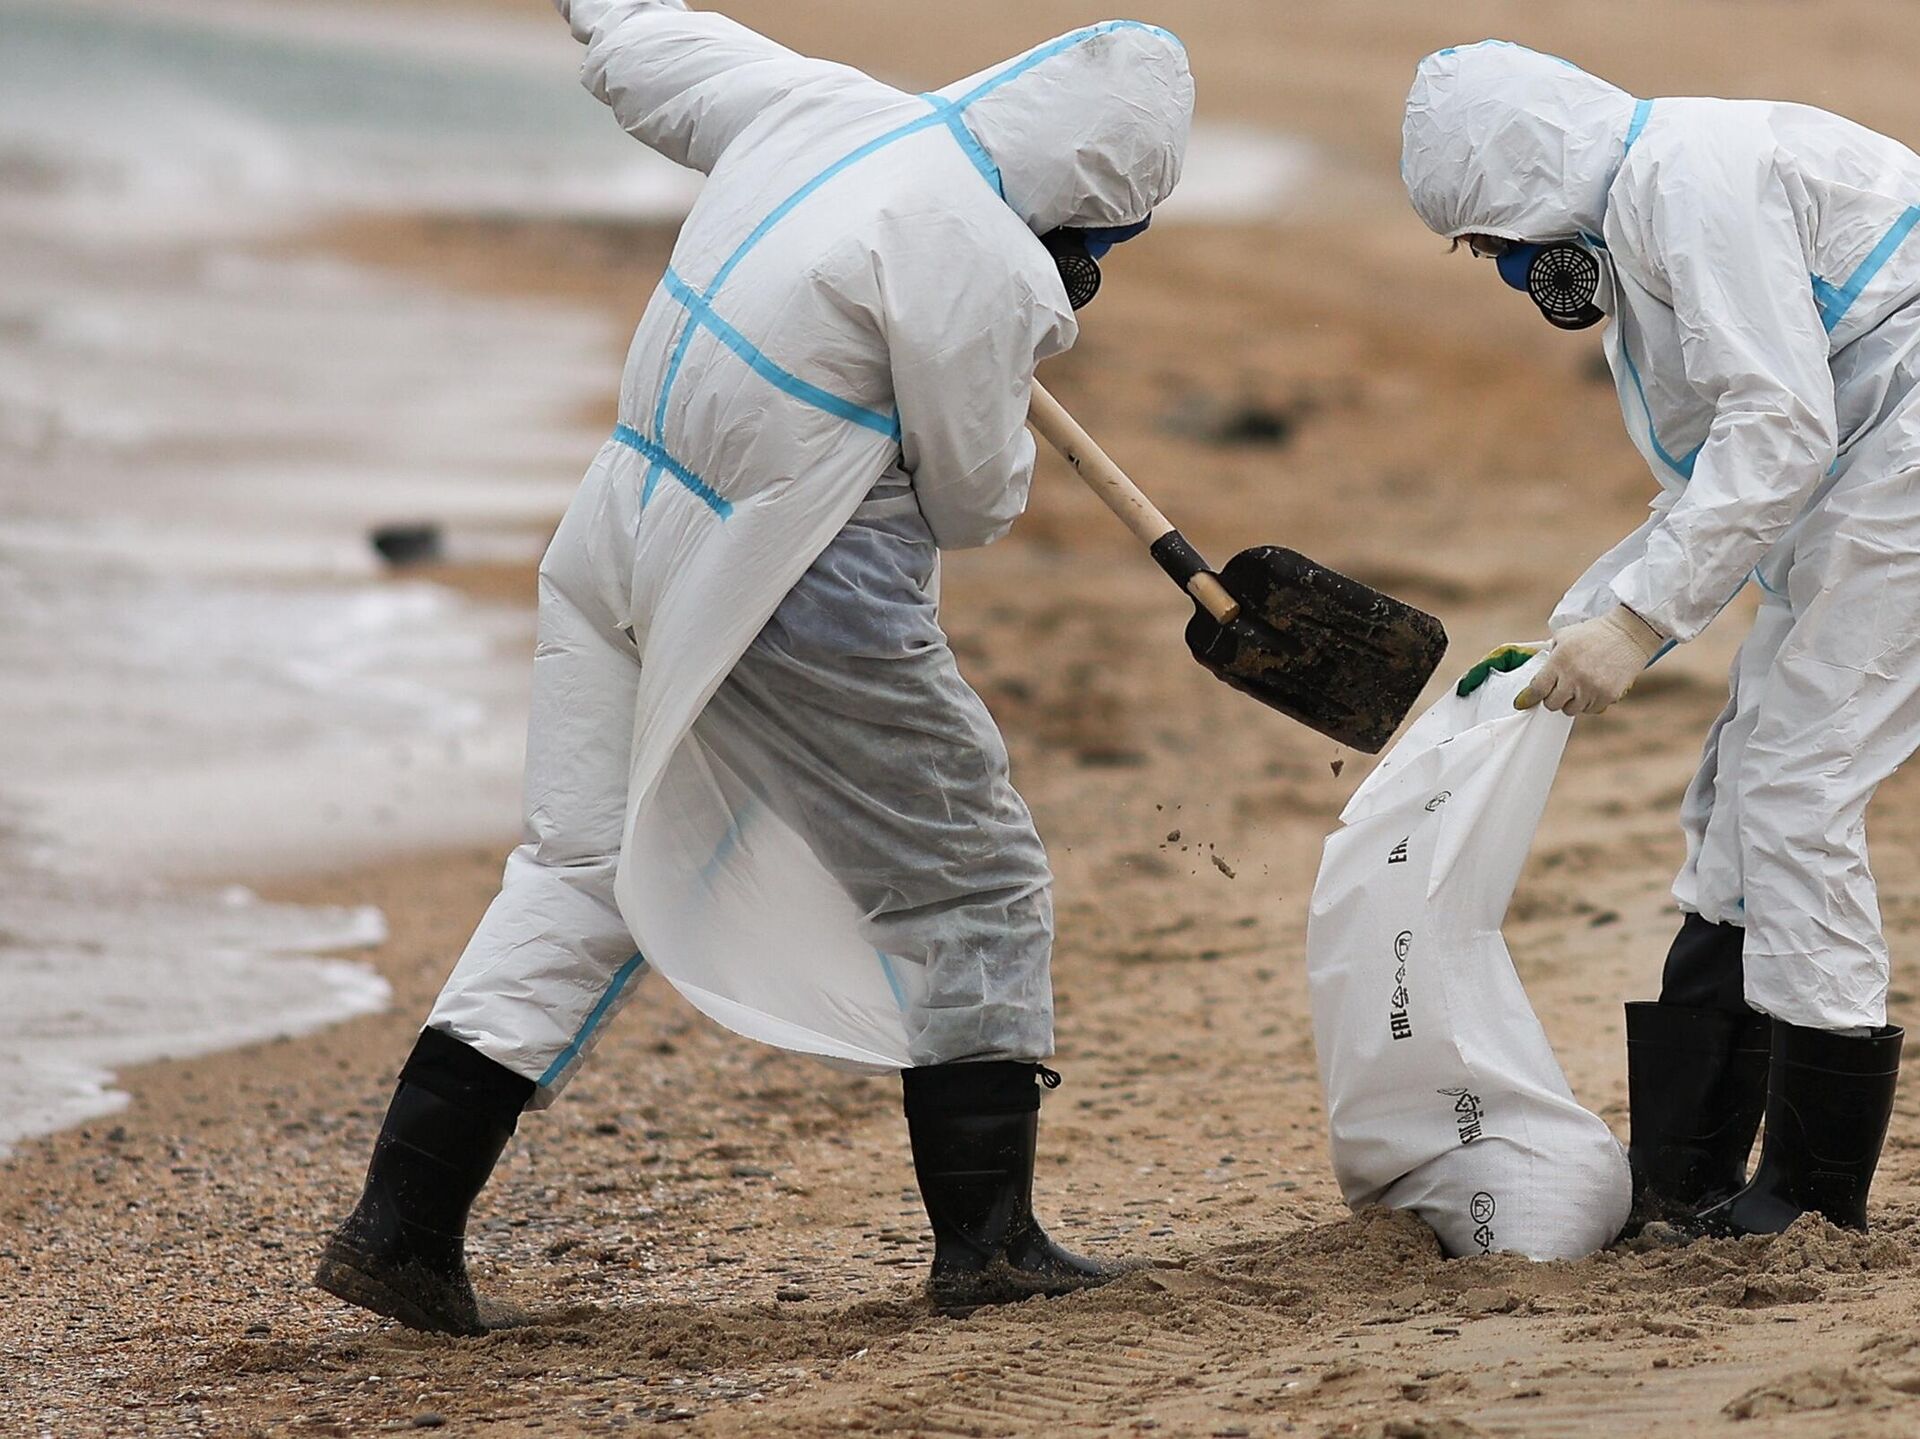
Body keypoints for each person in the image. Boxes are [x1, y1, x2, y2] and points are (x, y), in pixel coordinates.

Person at [313, 1, 1193, 1333]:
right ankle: (990, 1243)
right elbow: (974, 500)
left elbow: (651, 57)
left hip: (615, 533)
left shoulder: (822, 104)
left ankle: (402, 1226)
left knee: (577, 866)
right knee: (973, 879)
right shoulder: (981, 259)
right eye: (1106, 238)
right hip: (796, 580)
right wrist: (1022, 320)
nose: (1096, 258)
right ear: (1090, 201)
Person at [1403, 40, 1912, 1236]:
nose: (1514, 272)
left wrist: (1639, 621)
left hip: (1898, 469)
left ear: (1531, 177)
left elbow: (1776, 425)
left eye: (1497, 242)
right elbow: (1711, 477)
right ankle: (1686, 1174)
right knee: (1739, 799)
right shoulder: (1646, 212)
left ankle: (1811, 1196)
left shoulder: (1689, 179)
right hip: (1872, 471)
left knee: (1796, 786)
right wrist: (1582, 624)